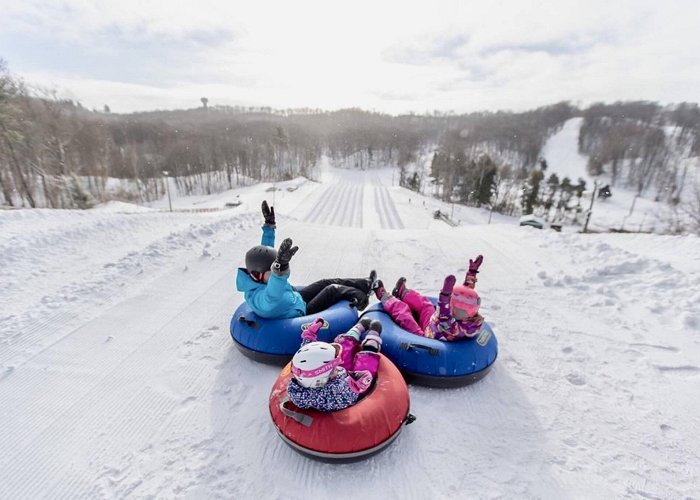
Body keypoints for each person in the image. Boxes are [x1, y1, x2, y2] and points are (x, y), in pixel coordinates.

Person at [236, 200, 378, 319]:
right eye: (271, 270)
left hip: (294, 299)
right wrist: (279, 271)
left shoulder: (258, 275)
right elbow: (271, 297)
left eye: (274, 268)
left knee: (324, 282)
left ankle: (366, 284)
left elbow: (266, 254)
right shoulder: (259, 299)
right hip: (300, 313)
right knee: (332, 290)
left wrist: (269, 227)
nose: (273, 270)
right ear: (257, 275)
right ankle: (362, 299)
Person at [372, 255, 485, 341]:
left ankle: (385, 297)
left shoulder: (454, 327)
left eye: (451, 304)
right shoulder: (468, 314)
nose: (450, 305)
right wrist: (472, 273)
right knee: (425, 304)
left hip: (426, 337)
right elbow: (466, 293)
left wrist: (445, 296)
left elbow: (444, 315)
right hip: (433, 324)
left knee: (404, 313)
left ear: (457, 311)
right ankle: (402, 293)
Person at [287, 317, 383, 412]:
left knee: (342, 348)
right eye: (334, 369)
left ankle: (356, 331)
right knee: (366, 365)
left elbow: (308, 355)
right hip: (349, 387)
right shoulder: (329, 396)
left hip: (338, 376)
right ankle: (371, 346)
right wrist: (356, 385)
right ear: (320, 380)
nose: (337, 366)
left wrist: (309, 336)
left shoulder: (306, 375)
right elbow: (345, 395)